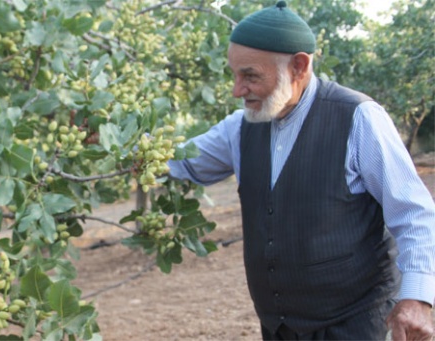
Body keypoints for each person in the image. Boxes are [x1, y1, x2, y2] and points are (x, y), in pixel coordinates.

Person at [167, 1, 435, 340]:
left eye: (250, 75)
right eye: (235, 75)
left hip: (356, 323)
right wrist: (109, 138)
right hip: (280, 328)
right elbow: (180, 159)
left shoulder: (358, 118)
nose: (237, 90)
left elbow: (414, 214)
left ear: (298, 66)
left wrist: (417, 297)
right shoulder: (241, 127)